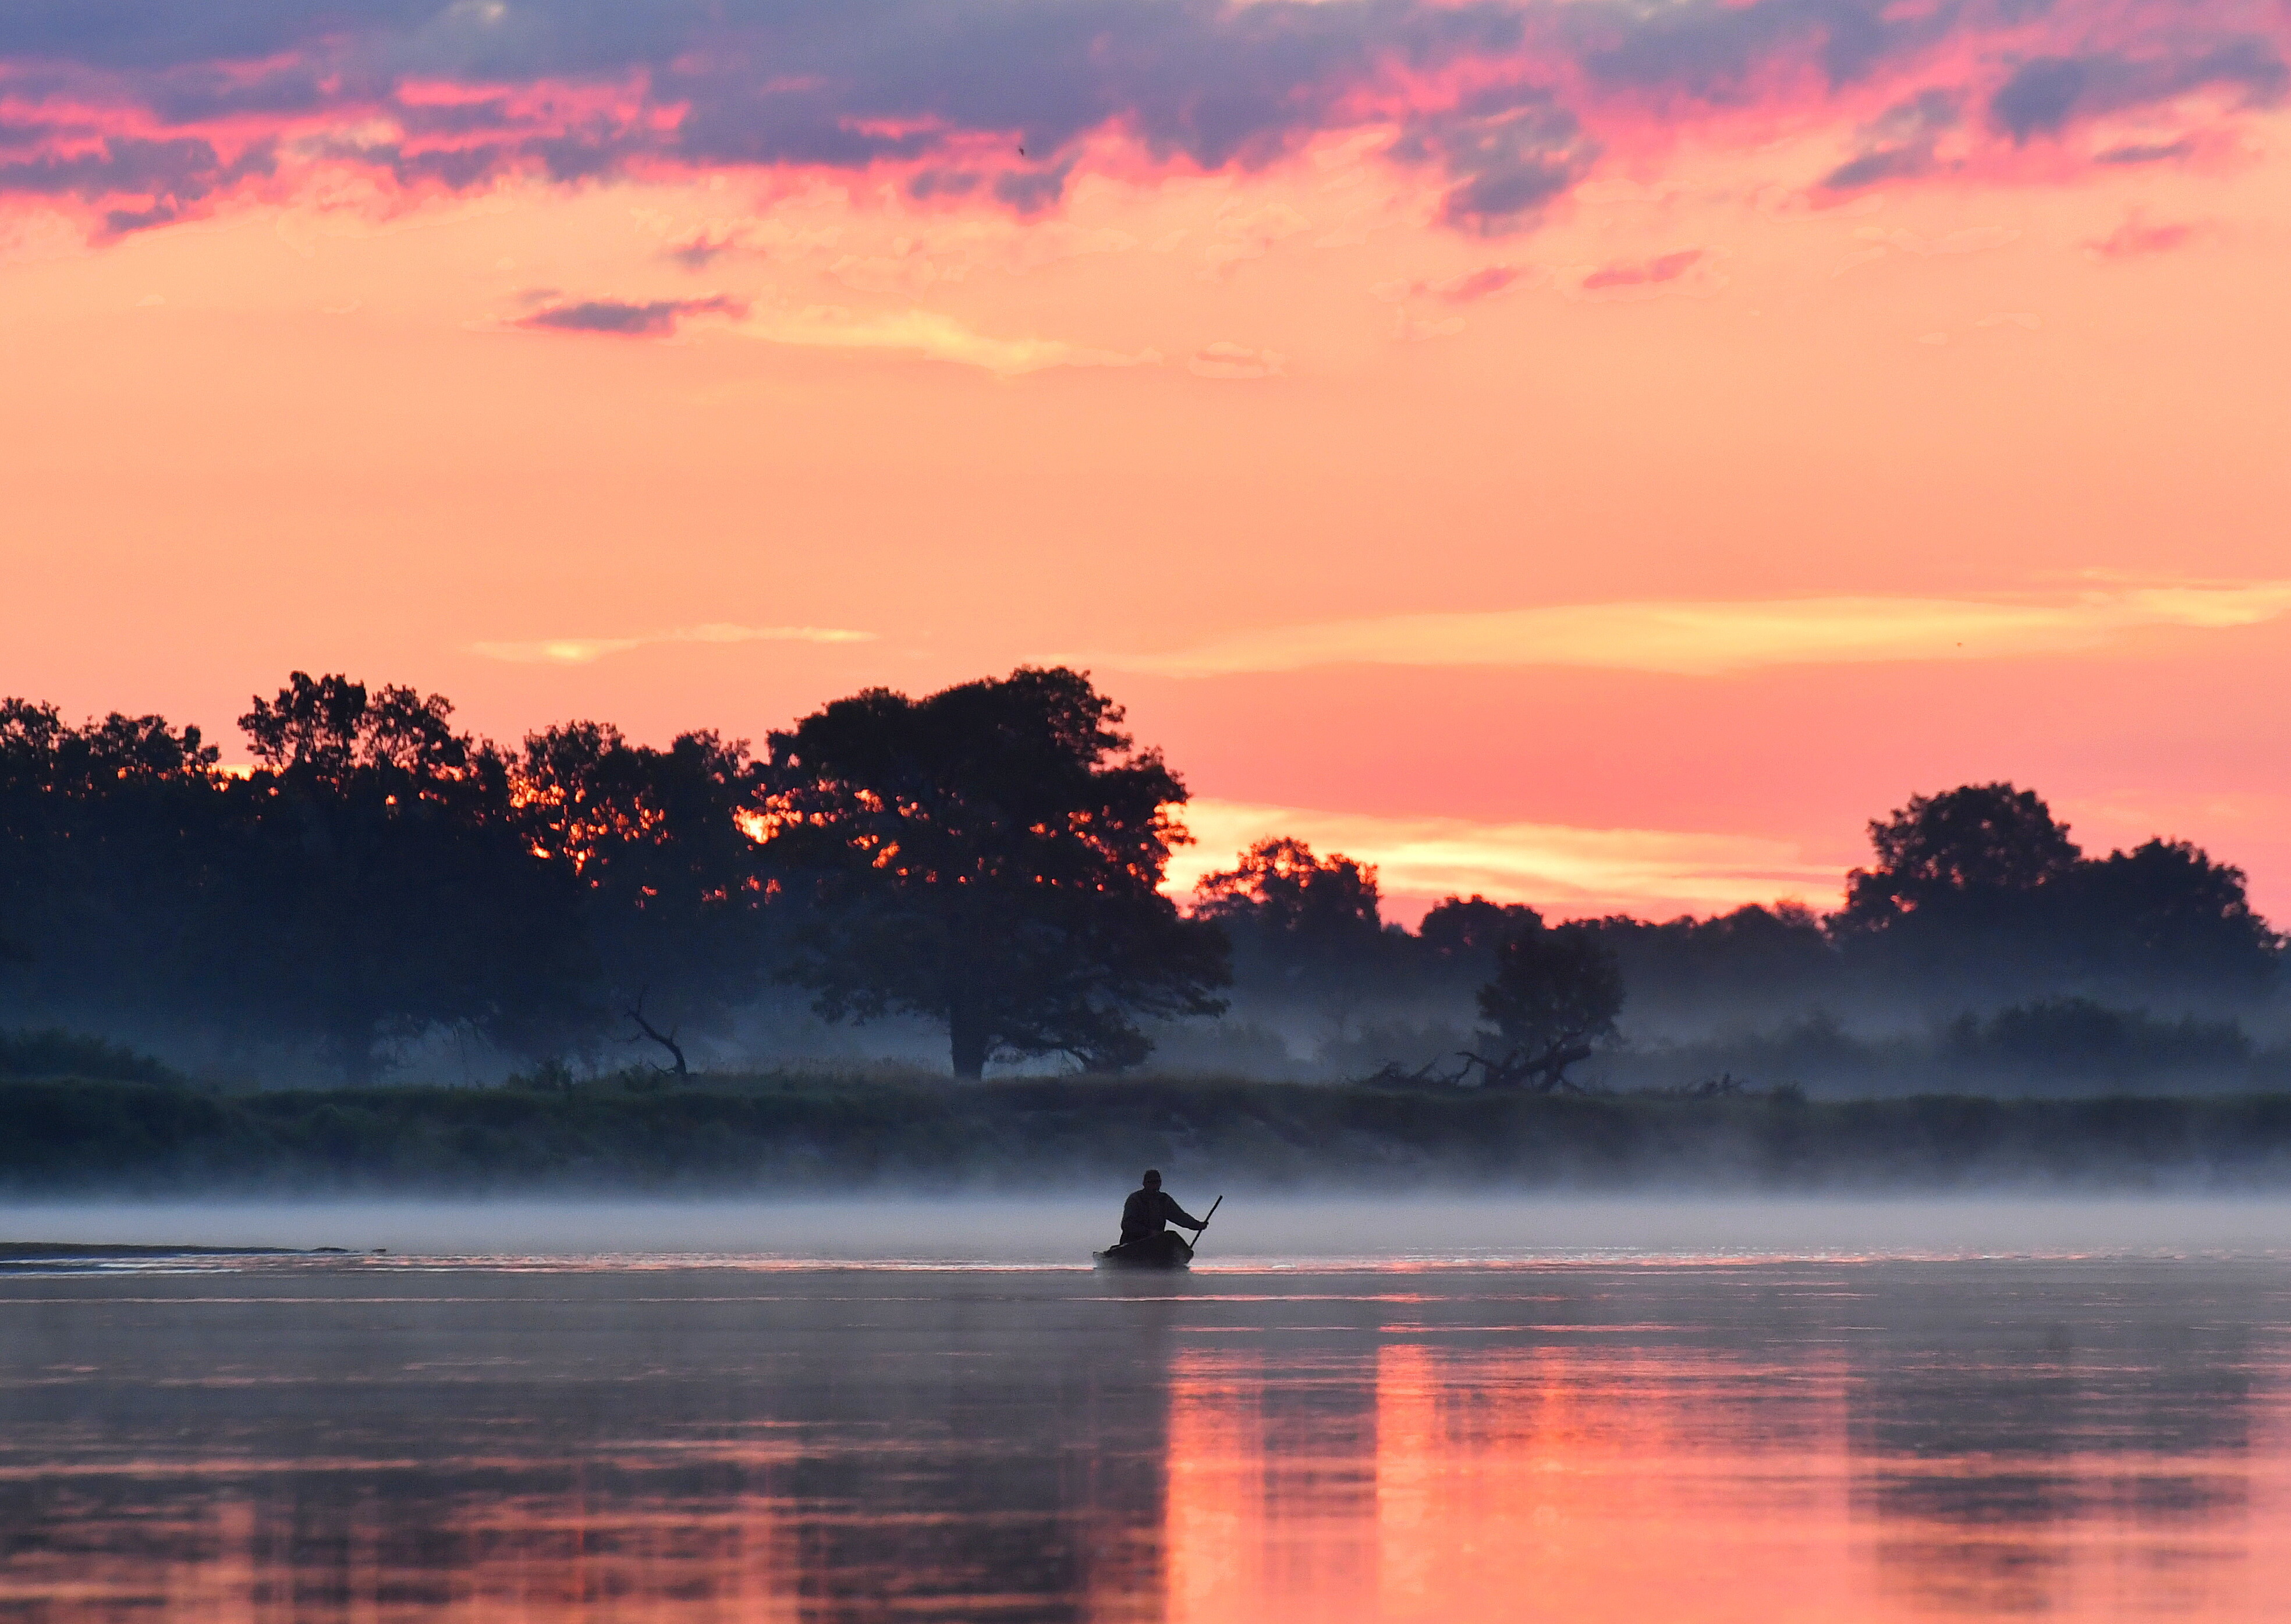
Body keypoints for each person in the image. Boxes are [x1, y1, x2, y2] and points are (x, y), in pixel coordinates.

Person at [1118, 1169, 1208, 1261]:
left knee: (1171, 1236)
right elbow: (1127, 1225)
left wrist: (1197, 1225)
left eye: (1157, 1182)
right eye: (1151, 1183)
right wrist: (1149, 1232)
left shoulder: (1164, 1200)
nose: (1154, 1186)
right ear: (1144, 1183)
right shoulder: (1135, 1199)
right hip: (1133, 1242)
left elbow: (1180, 1217)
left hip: (1156, 1243)